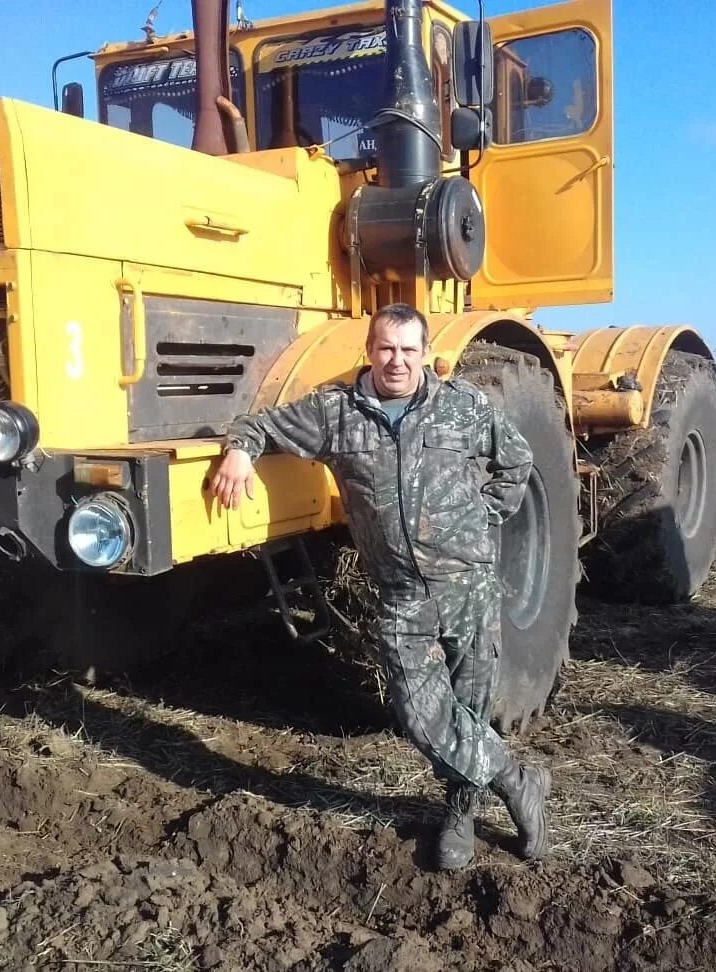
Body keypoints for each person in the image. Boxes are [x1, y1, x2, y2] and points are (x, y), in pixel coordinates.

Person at [210, 303, 552, 869]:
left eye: (409, 350)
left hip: (469, 586)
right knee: (420, 715)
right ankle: (517, 782)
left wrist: (481, 517)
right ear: (369, 351)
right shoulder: (336, 413)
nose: (397, 361)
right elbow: (261, 424)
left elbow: (516, 461)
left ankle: (460, 815)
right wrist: (241, 451)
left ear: (424, 354)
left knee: (467, 706)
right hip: (401, 594)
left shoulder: (464, 406)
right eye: (386, 349)